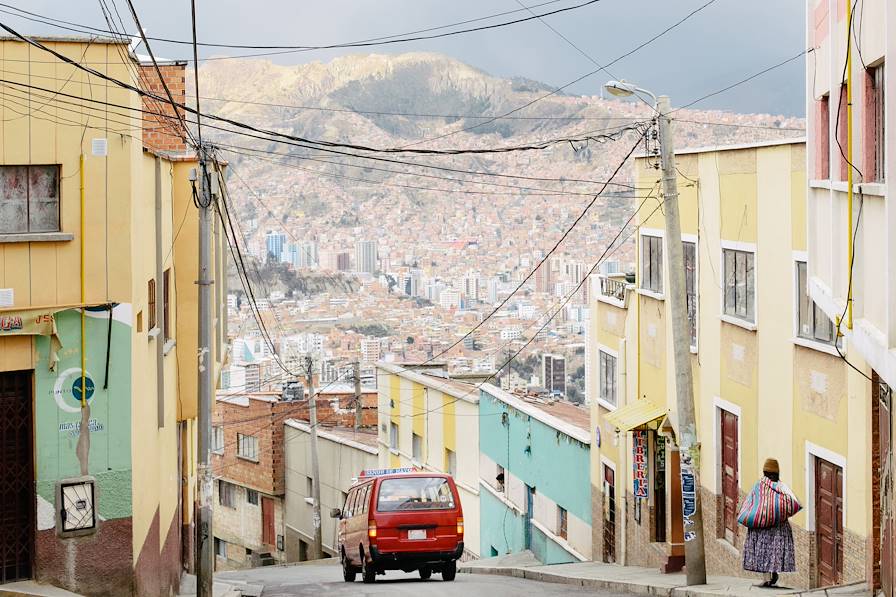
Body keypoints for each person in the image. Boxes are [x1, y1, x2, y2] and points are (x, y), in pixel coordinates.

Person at [742, 459, 797, 588]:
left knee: (763, 551)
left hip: (763, 527)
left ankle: (767, 579)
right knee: (774, 551)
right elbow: (791, 504)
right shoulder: (782, 487)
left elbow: (751, 503)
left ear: (764, 472)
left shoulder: (759, 486)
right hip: (779, 527)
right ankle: (774, 573)